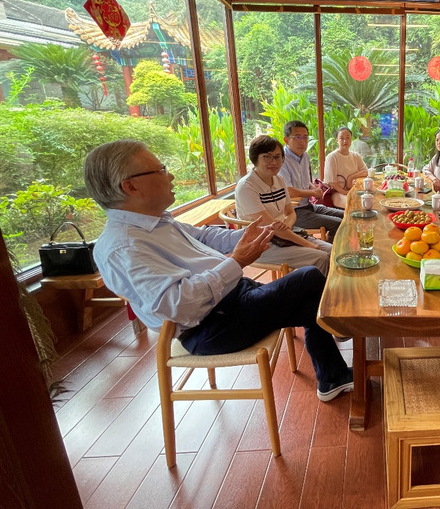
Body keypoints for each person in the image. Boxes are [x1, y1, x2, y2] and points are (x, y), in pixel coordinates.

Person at [84, 139, 353, 402]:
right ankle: (344, 335)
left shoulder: (156, 222)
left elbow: (204, 236)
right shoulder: (123, 247)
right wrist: (237, 262)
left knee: (313, 304)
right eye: (161, 169)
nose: (171, 175)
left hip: (234, 299)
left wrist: (249, 236)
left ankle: (332, 376)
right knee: (309, 277)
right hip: (212, 327)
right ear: (130, 186)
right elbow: (178, 305)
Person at [235, 135, 332, 275]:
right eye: (267, 157)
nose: (274, 162)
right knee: (320, 257)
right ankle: (319, 289)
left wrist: (287, 224)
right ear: (255, 158)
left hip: (286, 236)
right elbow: (273, 228)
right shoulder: (246, 187)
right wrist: (309, 244)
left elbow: (291, 213)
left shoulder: (279, 180)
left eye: (277, 157)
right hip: (261, 244)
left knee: (333, 251)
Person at [279, 120, 345, 238]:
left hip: (308, 206)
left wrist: (313, 187)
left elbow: (305, 181)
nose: (302, 141)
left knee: (347, 215)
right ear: (286, 140)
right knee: (338, 224)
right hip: (293, 212)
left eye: (305, 137)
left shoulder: (305, 156)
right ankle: (331, 250)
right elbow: (288, 191)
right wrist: (313, 193)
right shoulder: (281, 160)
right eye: (298, 137)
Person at [323, 126, 368, 209]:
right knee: (354, 203)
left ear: (351, 140)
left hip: (353, 189)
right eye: (341, 138)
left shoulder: (355, 156)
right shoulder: (332, 157)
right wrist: (345, 192)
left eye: (347, 138)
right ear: (337, 140)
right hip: (337, 193)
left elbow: (365, 171)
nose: (345, 141)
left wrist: (351, 177)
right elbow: (332, 183)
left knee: (369, 199)